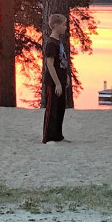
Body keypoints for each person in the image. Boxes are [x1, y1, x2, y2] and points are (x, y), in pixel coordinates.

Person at [42, 13, 69, 143]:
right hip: (53, 83)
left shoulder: (60, 42)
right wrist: (57, 83)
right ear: (56, 25)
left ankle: (58, 135)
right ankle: (48, 137)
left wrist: (66, 76)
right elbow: (50, 65)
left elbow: (62, 61)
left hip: (62, 80)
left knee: (60, 109)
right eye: (64, 25)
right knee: (51, 110)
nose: (65, 27)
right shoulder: (51, 43)